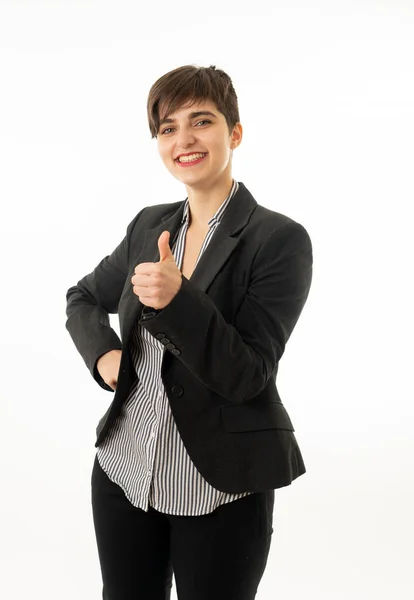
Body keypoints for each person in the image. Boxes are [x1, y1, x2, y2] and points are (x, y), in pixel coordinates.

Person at [65, 64, 313, 600]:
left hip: (219, 484)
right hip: (124, 472)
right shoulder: (149, 225)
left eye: (201, 121)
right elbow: (82, 298)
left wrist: (180, 301)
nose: (184, 139)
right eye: (167, 127)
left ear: (235, 133)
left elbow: (248, 375)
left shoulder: (278, 239)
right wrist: (105, 357)